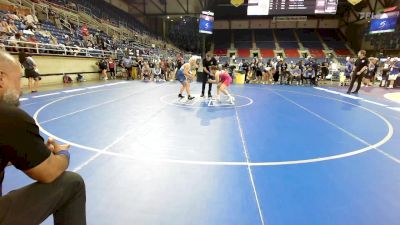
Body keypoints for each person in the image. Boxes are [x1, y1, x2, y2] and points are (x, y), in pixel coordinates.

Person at [0, 51, 86, 225]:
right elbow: (49, 172)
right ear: (1, 79)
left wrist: (32, 152)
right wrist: (62, 154)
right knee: (72, 183)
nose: (21, 88)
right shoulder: (10, 117)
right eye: (18, 80)